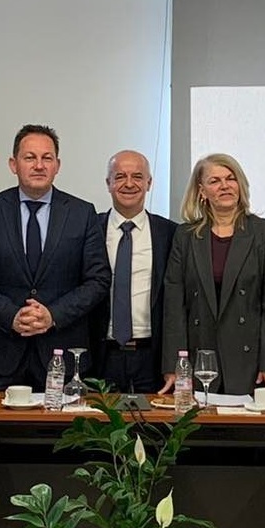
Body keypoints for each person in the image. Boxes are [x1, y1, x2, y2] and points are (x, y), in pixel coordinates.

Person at [0, 125, 109, 391]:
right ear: (13, 164)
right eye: (30, 157)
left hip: (62, 355)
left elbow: (98, 280)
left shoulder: (82, 213)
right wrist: (11, 315)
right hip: (1, 355)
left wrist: (53, 315)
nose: (39, 165)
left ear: (57, 165)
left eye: (47, 158)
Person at [161, 154, 265, 397]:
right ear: (201, 191)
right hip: (200, 360)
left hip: (251, 363)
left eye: (231, 179)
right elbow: (174, 306)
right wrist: (174, 365)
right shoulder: (186, 236)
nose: (225, 186)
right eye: (215, 181)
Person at [92, 149, 175, 394]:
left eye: (137, 177)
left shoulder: (171, 234)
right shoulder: (89, 229)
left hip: (152, 358)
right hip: (100, 356)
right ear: (108, 183)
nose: (129, 184)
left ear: (149, 183)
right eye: (120, 177)